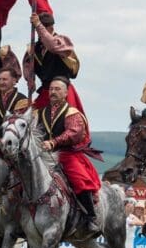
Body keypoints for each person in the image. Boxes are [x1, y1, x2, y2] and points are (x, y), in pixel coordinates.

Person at [38, 77, 102, 235]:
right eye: (51, 89)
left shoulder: (72, 112)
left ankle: (90, 217)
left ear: (66, 93)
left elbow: (74, 133)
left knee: (79, 180)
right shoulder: (39, 112)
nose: (53, 92)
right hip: (43, 154)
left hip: (66, 153)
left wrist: (54, 142)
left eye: (57, 89)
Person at [24, 12, 84, 111]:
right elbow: (27, 65)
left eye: (44, 27)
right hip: (45, 92)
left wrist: (39, 25)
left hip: (63, 92)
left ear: (51, 27)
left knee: (68, 120)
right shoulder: (34, 48)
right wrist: (30, 79)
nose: (38, 31)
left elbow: (53, 47)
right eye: (37, 29)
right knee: (30, 119)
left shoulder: (61, 41)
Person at [0, 68, 30, 143]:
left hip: (15, 143)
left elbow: (19, 125)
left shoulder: (22, 100)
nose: (1, 82)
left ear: (14, 81)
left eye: (4, 79)